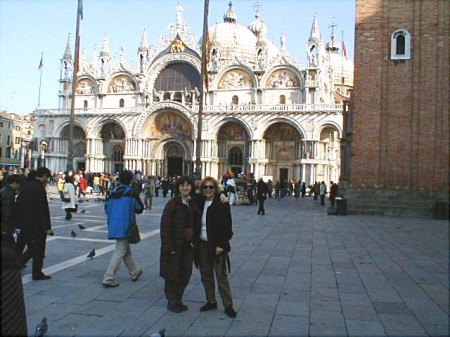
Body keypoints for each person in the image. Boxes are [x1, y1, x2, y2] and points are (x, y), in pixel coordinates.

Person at [194, 177, 237, 318]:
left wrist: (222, 245)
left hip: (217, 245)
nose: (208, 189)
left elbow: (227, 228)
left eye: (211, 187)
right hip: (202, 243)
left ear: (215, 188)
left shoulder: (222, 203)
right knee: (205, 274)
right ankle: (211, 301)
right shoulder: (199, 202)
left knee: (221, 276)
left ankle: (228, 305)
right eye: (205, 187)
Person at [159, 176, 199, 313]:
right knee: (172, 274)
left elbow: (210, 196)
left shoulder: (193, 203)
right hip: (174, 245)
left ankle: (178, 299)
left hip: (188, 245)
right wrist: (168, 246)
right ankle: (172, 301)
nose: (185, 187)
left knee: (185, 273)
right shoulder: (172, 204)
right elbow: (165, 225)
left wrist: (222, 195)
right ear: (178, 188)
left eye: (188, 185)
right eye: (182, 185)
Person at [102, 170, 144, 287]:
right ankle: (109, 277)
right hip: (126, 226)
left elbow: (106, 209)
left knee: (125, 250)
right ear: (131, 180)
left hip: (114, 225)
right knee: (120, 251)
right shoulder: (131, 193)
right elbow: (139, 208)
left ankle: (134, 271)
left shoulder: (112, 192)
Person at [15, 167, 54, 281]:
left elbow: (19, 205)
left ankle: (17, 264)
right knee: (38, 250)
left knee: (23, 247)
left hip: (24, 224)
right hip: (36, 226)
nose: (47, 179)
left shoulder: (26, 186)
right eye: (47, 177)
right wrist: (47, 227)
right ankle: (37, 273)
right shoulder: (39, 188)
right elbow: (42, 209)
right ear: (44, 176)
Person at [1, 174, 21, 251]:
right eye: (19, 184)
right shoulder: (9, 194)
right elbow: (7, 211)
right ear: (14, 183)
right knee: (10, 247)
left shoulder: (4, 190)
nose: (19, 186)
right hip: (5, 226)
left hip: (4, 225)